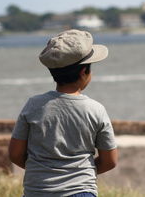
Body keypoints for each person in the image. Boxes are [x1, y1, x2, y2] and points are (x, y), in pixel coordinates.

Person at [9, 29, 118, 197]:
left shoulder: (33, 105)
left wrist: (44, 173)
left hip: (37, 192)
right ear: (84, 73)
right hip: (81, 191)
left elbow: (15, 154)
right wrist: (81, 173)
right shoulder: (96, 109)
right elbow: (110, 161)